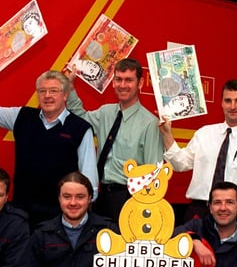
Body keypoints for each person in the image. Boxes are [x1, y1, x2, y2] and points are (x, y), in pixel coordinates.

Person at [0, 60, 98, 229]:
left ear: (65, 94)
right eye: (42, 91)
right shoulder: (22, 117)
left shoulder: (81, 128)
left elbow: (90, 185)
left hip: (59, 218)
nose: (47, 96)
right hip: (20, 214)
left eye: (54, 91)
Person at [160, 79, 237, 242]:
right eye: (228, 100)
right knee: (193, 266)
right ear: (222, 103)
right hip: (198, 214)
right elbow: (180, 163)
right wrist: (167, 134)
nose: (233, 106)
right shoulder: (204, 134)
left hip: (234, 216)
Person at [67, 57, 165, 221]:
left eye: (129, 80)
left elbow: (152, 172)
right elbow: (80, 119)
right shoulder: (106, 112)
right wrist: (70, 88)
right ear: (113, 82)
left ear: (140, 84)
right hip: (99, 195)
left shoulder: (150, 123)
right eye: (118, 79)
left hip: (129, 198)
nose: (122, 85)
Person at [29, 171, 117, 267]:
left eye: (80, 197)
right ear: (59, 198)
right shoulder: (41, 234)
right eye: (67, 197)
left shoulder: (109, 230)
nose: (73, 202)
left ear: (90, 198)